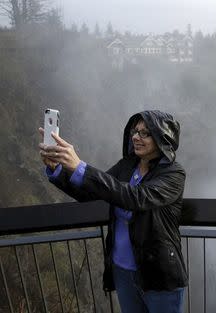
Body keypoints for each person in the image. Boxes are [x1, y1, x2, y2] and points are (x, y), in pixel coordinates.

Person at [39, 110, 188, 313]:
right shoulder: (127, 166)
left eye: (145, 133)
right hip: (122, 271)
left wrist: (81, 167)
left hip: (158, 274)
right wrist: (58, 169)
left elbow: (136, 197)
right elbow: (89, 190)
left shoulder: (173, 174)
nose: (136, 136)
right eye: (135, 131)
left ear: (162, 138)